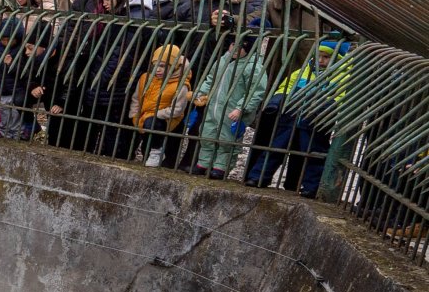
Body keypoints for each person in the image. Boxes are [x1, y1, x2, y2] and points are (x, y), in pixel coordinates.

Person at [245, 38, 351, 197]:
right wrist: (278, 100)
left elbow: (342, 99)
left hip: (317, 122)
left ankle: (311, 187)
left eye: (326, 57)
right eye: (319, 55)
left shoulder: (342, 77)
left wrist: (327, 108)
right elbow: (285, 86)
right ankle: (258, 176)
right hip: (291, 117)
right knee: (275, 148)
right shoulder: (303, 71)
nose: (321, 60)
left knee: (314, 155)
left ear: (338, 58)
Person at [191, 24, 270, 179]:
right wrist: (202, 92)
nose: (234, 48)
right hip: (213, 106)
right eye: (233, 44)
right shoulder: (223, 60)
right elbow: (211, 78)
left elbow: (255, 91)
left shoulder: (252, 66)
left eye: (240, 46)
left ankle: (221, 167)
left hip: (232, 110)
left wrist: (242, 108)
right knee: (207, 134)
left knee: (227, 140)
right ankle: (204, 163)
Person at [79, 0, 141, 159]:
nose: (104, 3)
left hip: (112, 86)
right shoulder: (115, 17)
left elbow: (121, 56)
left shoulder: (127, 20)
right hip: (102, 80)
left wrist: (102, 77)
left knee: (112, 131)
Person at [129, 45, 192, 168]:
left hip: (165, 118)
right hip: (144, 115)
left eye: (162, 66)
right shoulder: (145, 78)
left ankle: (156, 152)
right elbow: (136, 98)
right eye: (155, 65)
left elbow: (177, 110)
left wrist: (156, 114)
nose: (157, 69)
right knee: (146, 134)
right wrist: (134, 114)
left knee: (151, 124)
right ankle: (150, 153)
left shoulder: (180, 85)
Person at [0, 17, 29, 139]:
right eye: (3, 39)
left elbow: (26, 71)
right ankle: (4, 138)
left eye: (10, 40)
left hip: (16, 90)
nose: (6, 42)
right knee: (3, 117)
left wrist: (11, 65)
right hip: (0, 88)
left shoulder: (23, 48)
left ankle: (17, 139)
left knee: (15, 118)